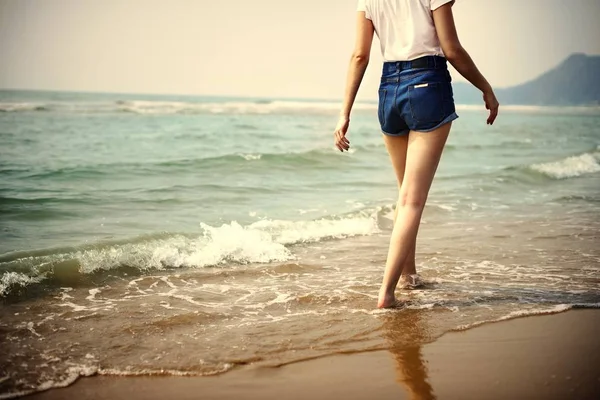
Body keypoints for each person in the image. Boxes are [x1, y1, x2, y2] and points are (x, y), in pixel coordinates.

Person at [333, 0, 499, 308]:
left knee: (404, 194)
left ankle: (409, 277)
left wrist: (345, 113)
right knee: (412, 200)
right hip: (427, 85)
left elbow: (360, 55)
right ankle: (386, 293)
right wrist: (486, 88)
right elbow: (452, 49)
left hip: (388, 90)